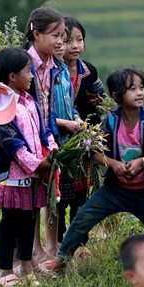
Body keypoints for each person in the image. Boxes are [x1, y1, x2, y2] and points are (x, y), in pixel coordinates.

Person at [39, 68, 144, 276]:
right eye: (132, 89)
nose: (139, 93)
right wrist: (112, 164)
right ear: (116, 95)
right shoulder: (110, 122)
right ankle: (61, 261)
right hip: (116, 191)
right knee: (83, 218)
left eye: (141, 88)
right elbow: (94, 151)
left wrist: (141, 162)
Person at [0, 48, 57, 287]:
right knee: (10, 221)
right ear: (11, 77)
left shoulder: (30, 102)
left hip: (34, 172)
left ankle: (26, 267)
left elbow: (43, 131)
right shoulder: (1, 105)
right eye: (27, 71)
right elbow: (10, 142)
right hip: (14, 174)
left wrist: (52, 149)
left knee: (29, 219)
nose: (31, 76)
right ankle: (4, 270)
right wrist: (36, 163)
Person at [24, 6, 83, 261]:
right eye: (56, 35)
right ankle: (34, 249)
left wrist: (50, 137)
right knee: (34, 197)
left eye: (63, 36)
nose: (61, 41)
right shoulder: (26, 65)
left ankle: (51, 247)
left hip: (48, 137)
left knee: (52, 193)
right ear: (36, 35)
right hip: (29, 140)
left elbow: (48, 110)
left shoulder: (52, 66)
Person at [55, 15, 105, 248]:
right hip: (60, 141)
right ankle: (57, 240)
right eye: (68, 40)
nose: (75, 46)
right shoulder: (53, 72)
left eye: (80, 40)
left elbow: (99, 104)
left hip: (84, 143)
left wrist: (97, 133)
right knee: (58, 199)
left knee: (81, 196)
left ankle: (79, 243)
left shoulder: (89, 72)